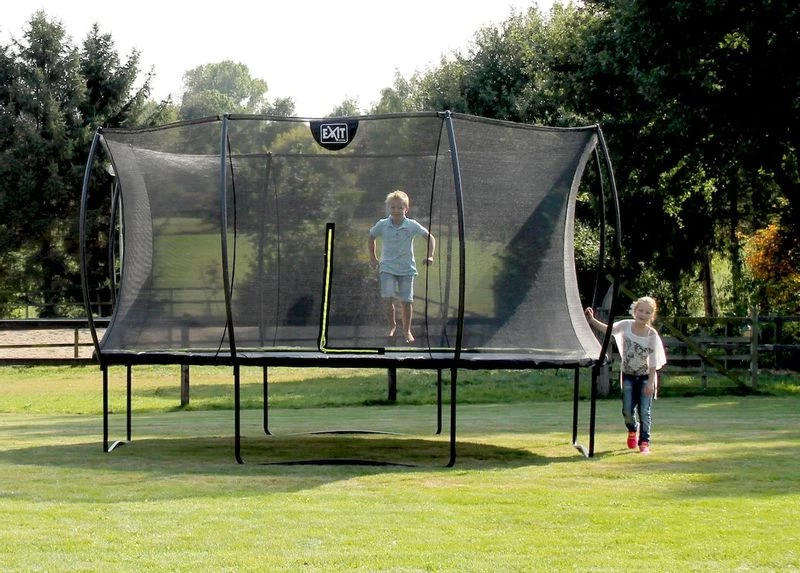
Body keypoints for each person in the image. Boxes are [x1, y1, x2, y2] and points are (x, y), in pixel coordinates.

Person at [585, 297, 667, 454]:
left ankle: (644, 442)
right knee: (627, 411)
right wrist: (592, 320)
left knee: (644, 411)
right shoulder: (626, 326)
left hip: (645, 377)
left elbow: (653, 361)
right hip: (628, 376)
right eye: (640, 311)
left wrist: (650, 382)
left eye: (647, 312)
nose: (643, 314)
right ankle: (632, 429)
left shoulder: (651, 334)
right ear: (635, 311)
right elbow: (609, 330)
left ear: (651, 315)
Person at [368, 190, 435, 343]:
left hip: (406, 269)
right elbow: (371, 236)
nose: (396, 211)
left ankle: (406, 331)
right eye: (393, 207)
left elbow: (430, 238)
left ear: (406, 209)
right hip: (387, 268)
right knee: (387, 297)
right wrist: (373, 257)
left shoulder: (411, 225)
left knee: (406, 300)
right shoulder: (383, 224)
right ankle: (392, 325)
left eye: (400, 208)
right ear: (388, 208)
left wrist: (430, 255)